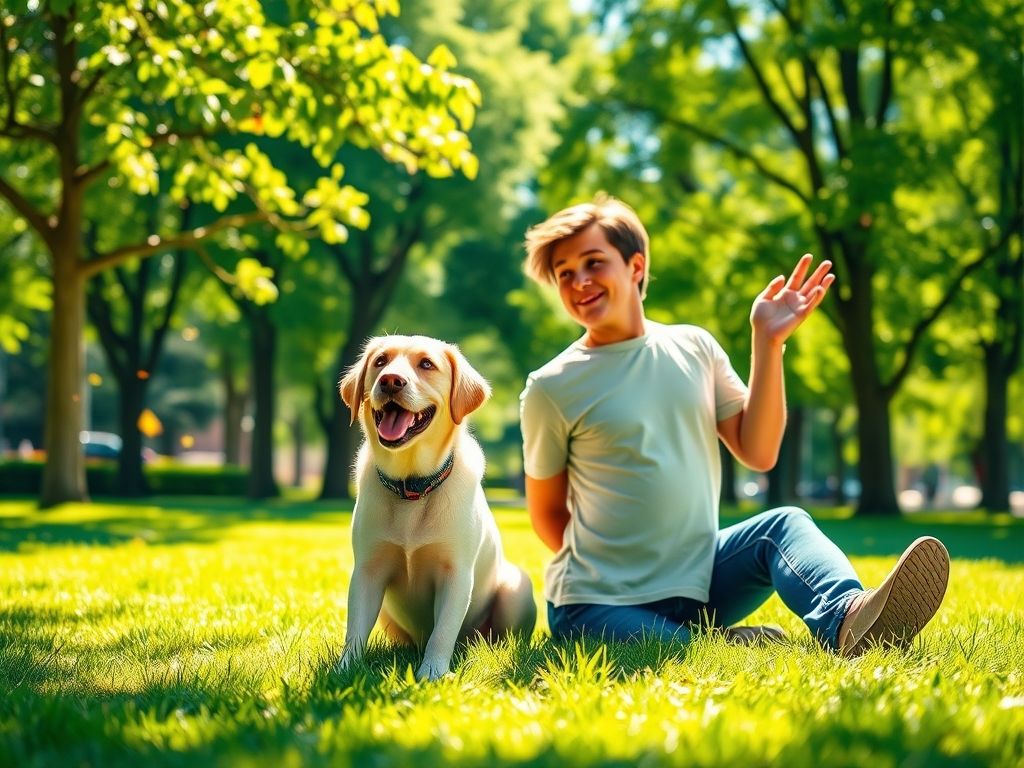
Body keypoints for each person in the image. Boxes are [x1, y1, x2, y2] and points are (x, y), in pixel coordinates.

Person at [519, 194, 950, 654]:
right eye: (565, 273)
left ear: (636, 266)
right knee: (688, 653)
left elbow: (758, 451)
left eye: (593, 262)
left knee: (784, 524)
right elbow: (547, 515)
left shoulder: (694, 347)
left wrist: (768, 342)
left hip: (699, 581)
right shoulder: (552, 386)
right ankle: (719, 642)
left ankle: (848, 619)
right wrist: (619, 571)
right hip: (596, 602)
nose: (580, 282)